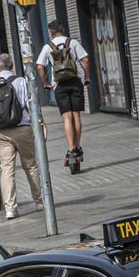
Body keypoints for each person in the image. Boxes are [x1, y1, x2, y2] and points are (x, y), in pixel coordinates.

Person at [0, 53, 43, 220]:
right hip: (22, 128)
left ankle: (10, 209)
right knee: (30, 165)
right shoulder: (21, 81)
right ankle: (39, 201)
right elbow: (32, 105)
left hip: (0, 132)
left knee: (6, 169)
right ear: (12, 65)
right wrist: (41, 124)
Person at [36, 20, 90, 171]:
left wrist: (46, 83)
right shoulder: (72, 43)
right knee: (76, 116)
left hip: (59, 85)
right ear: (63, 29)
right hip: (75, 82)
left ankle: (71, 149)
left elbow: (39, 66)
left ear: (51, 32)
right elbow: (85, 59)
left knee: (67, 118)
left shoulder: (48, 47)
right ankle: (78, 147)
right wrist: (86, 76)